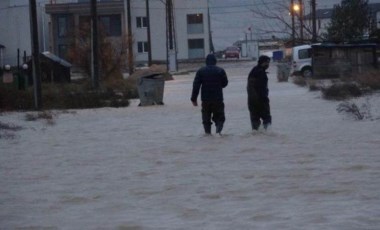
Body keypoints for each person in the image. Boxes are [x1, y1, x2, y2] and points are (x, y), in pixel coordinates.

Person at [191, 54, 228, 135]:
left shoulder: (201, 71)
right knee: (219, 118)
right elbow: (225, 84)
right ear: (215, 61)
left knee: (206, 120)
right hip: (218, 99)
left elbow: (196, 85)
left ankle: (208, 136)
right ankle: (218, 133)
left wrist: (193, 99)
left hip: (205, 99)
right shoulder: (220, 70)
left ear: (206, 62)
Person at [247, 55, 272, 131]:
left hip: (253, 101)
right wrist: (258, 99)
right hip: (260, 101)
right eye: (267, 63)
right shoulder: (259, 72)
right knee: (267, 119)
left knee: (255, 123)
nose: (268, 65)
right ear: (262, 62)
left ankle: (258, 138)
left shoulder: (254, 71)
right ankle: (266, 135)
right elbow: (251, 87)